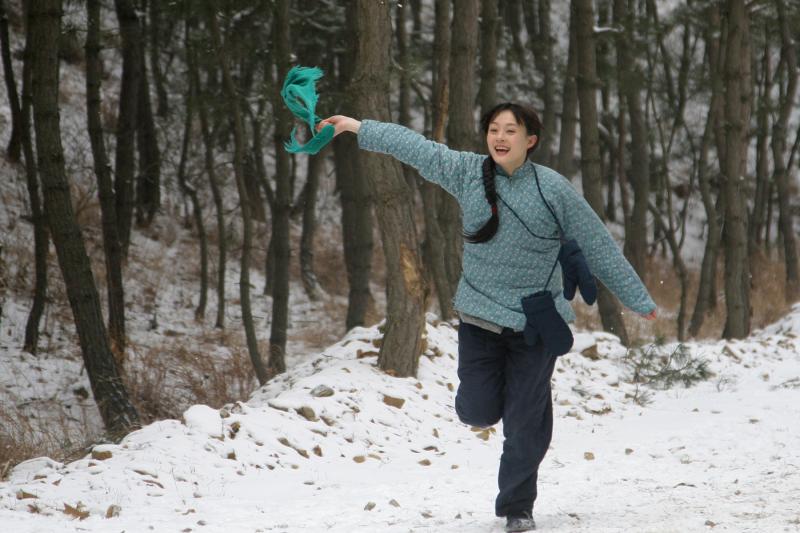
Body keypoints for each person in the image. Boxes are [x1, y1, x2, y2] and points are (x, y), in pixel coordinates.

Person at [318, 102, 657, 532]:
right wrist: (357, 127)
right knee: (476, 411)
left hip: (535, 324)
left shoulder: (552, 189)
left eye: (510, 131)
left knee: (522, 423)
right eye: (494, 129)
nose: (499, 137)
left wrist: (636, 298)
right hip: (479, 317)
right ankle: (527, 406)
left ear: (529, 140)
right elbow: (416, 148)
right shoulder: (467, 173)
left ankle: (517, 507)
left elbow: (597, 243)